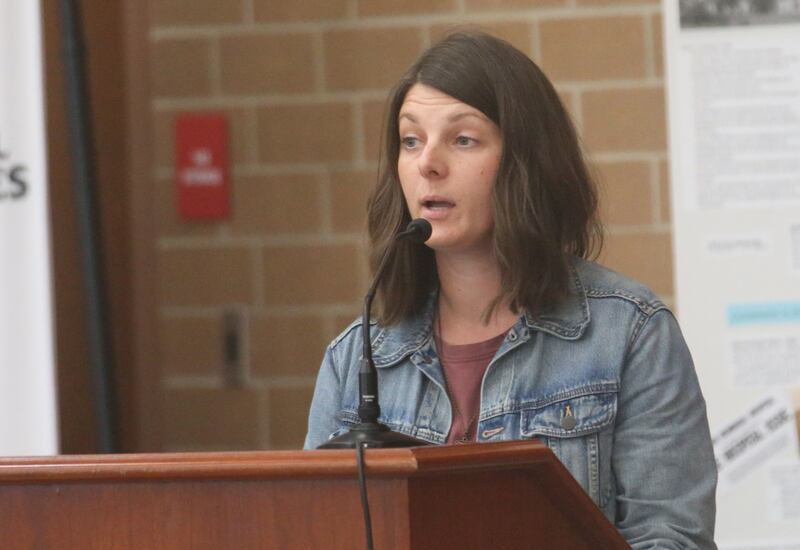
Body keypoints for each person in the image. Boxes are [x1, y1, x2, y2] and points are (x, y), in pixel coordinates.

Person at [304, 31, 717, 548]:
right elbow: (314, 529)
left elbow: (674, 538)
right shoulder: (355, 359)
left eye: (462, 140)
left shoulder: (630, 334)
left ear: (525, 162)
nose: (428, 163)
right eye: (411, 141)